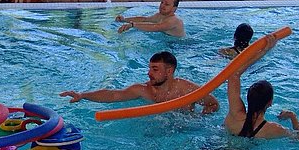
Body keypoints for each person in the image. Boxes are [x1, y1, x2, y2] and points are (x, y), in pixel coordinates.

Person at [59, 51, 219, 115]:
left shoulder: (187, 89)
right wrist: (83, 95)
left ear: (169, 71)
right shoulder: (144, 90)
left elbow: (213, 104)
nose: (149, 73)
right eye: (149, 68)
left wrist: (197, 120)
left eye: (155, 69)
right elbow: (114, 95)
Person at [223, 34, 299, 139]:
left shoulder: (235, 113)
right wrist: (293, 116)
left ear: (248, 98)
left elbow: (234, 74)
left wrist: (264, 50)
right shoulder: (272, 129)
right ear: (270, 103)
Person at [116, 0, 185, 37]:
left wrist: (133, 25)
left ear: (174, 8)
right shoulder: (160, 15)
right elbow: (144, 19)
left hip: (178, 46)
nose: (162, 6)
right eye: (162, 2)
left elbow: (156, 27)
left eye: (167, 4)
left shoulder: (173, 20)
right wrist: (124, 19)